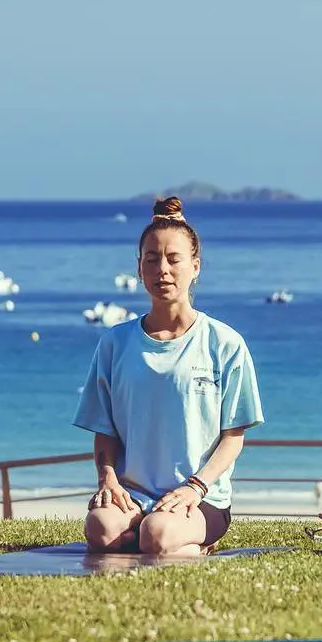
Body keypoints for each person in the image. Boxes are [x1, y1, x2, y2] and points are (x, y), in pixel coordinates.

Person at [73, 196, 264, 556]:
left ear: (195, 267)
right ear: (139, 268)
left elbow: (233, 438)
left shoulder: (225, 343)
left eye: (174, 260)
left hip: (200, 495)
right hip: (133, 494)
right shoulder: (115, 343)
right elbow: (105, 430)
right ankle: (164, 541)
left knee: (157, 535)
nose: (163, 269)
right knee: (100, 529)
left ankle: (193, 539)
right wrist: (108, 479)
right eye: (152, 259)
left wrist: (195, 488)